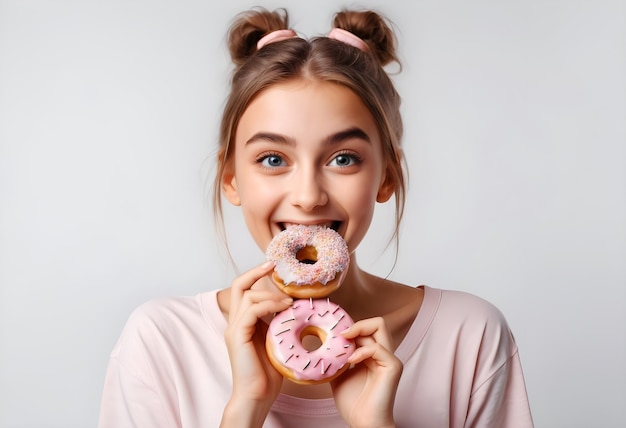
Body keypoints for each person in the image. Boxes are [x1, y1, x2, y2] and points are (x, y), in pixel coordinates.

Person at [98, 7, 534, 427]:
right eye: (272, 159)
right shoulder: (163, 342)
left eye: (343, 158)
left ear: (387, 178)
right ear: (231, 178)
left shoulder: (467, 337)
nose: (308, 196)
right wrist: (244, 411)